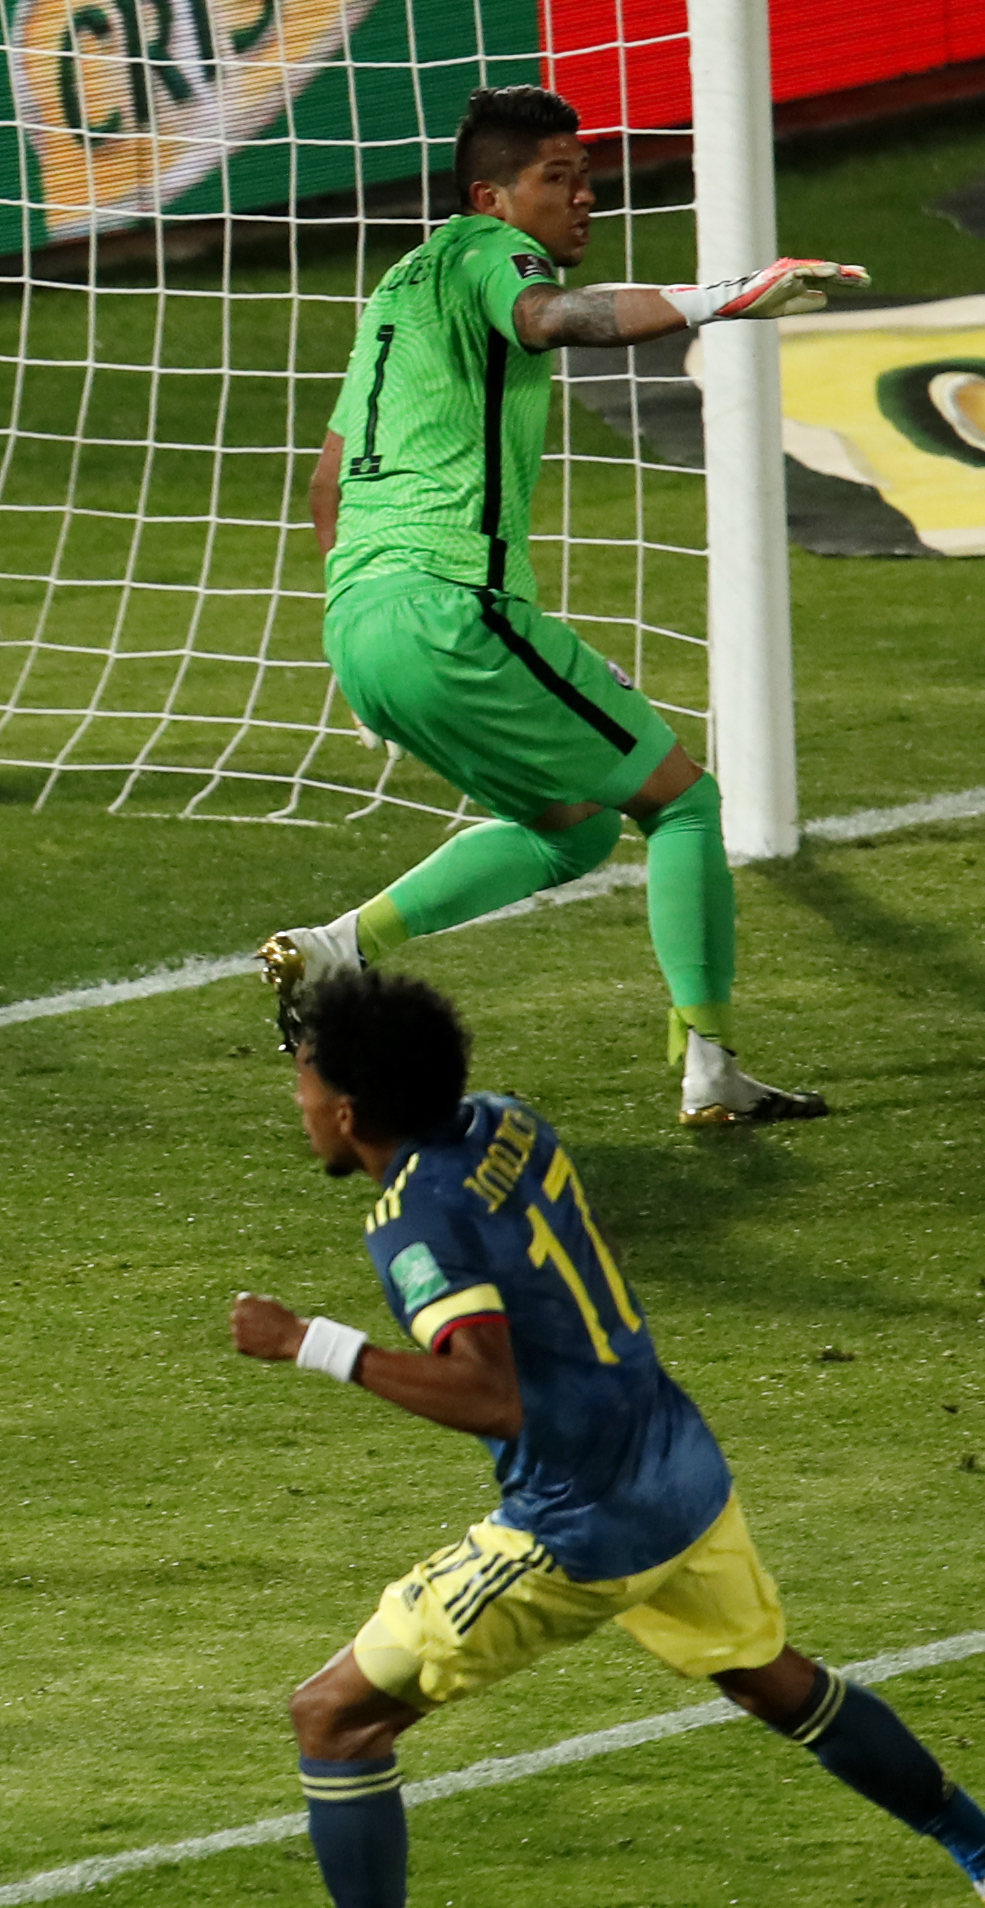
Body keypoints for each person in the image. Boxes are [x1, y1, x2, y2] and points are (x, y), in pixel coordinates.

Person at [227, 969, 985, 1908]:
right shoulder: (507, 1127)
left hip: (577, 1518)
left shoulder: (409, 1220)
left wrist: (309, 1342)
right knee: (768, 1676)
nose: (295, 1098)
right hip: (673, 1459)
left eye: (301, 1078)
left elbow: (488, 1392)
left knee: (331, 1719)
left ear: (347, 1109)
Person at [259, 84, 861, 1127]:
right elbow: (553, 320)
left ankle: (335, 951)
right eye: (555, 179)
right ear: (489, 194)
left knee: (569, 829)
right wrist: (715, 298)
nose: (581, 197)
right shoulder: (490, 254)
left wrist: (354, 638)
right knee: (681, 802)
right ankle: (709, 1067)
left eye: (584, 177)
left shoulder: (396, 290)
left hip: (362, 624)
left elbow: (324, 485)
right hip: (449, 603)